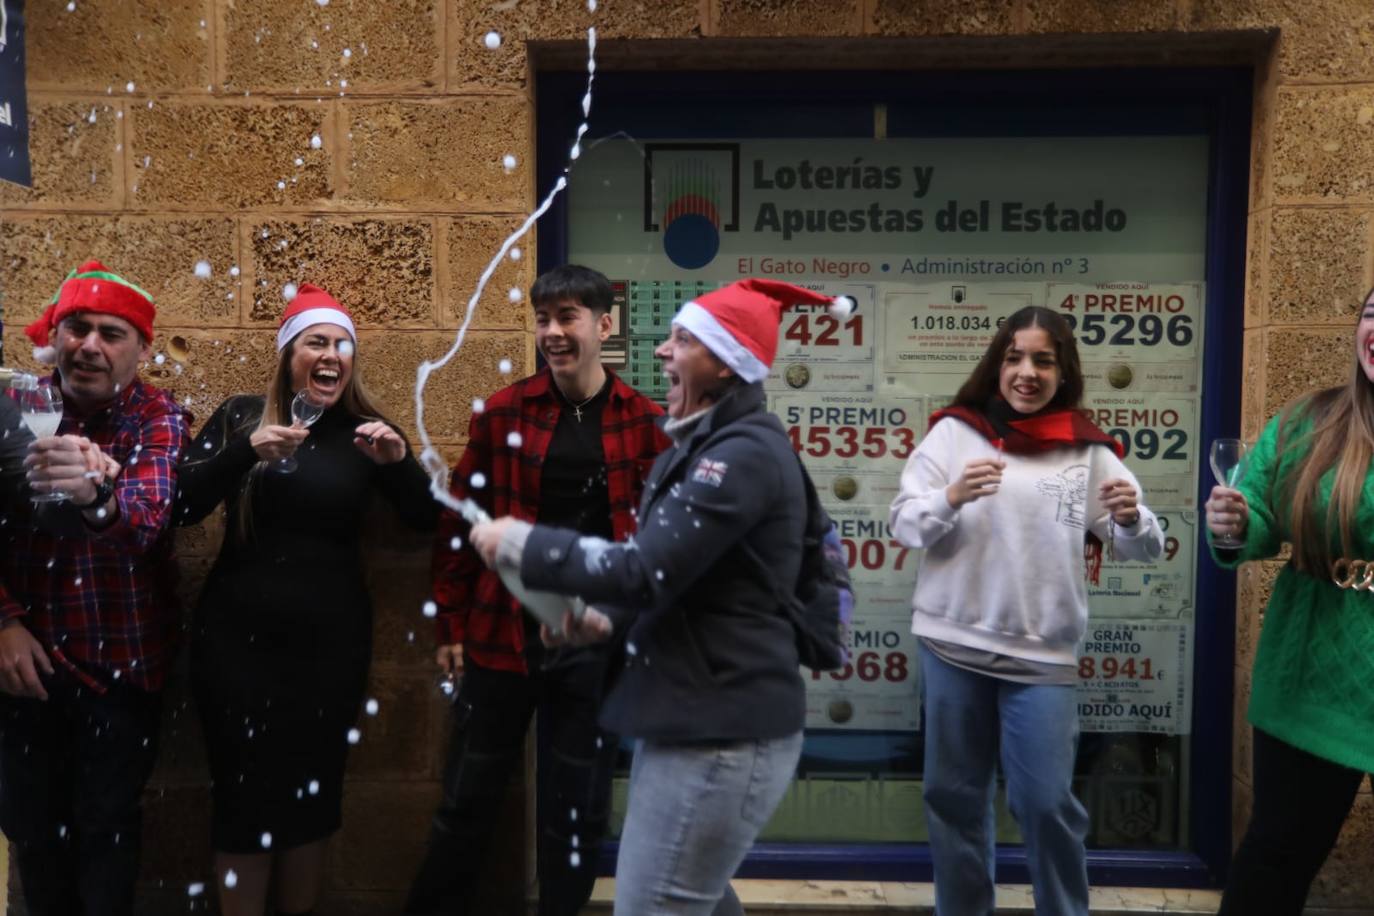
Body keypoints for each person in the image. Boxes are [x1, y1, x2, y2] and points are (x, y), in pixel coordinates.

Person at [468, 278, 850, 916]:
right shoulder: (704, 444)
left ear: (725, 362)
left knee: (656, 904)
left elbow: (645, 568)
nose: (664, 354)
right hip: (694, 713)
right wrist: (602, 621)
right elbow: (683, 576)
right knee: (691, 900)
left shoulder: (741, 455)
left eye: (682, 341)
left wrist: (526, 545)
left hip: (720, 727)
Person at [405, 265, 669, 916]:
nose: (552, 332)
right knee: (468, 798)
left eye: (568, 317)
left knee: (576, 814)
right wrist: (451, 627)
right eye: (543, 319)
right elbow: (459, 522)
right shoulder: (505, 412)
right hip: (502, 636)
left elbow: (655, 547)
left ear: (604, 326)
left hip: (594, 642)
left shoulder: (645, 422)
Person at [889, 305, 1163, 916]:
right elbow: (905, 525)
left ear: (1064, 371)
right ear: (996, 364)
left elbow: (1144, 547)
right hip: (951, 644)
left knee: (1045, 804)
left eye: (1044, 359)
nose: (1027, 373)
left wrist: (1129, 518)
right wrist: (952, 496)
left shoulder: (1087, 449)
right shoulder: (956, 433)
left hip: (1042, 657)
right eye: (1015, 358)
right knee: (954, 798)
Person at [173, 284, 437, 916]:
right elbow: (181, 506)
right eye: (316, 341)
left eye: (341, 344)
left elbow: (426, 519)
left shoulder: (367, 433)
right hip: (237, 648)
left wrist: (400, 464)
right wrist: (245, 452)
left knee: (312, 802)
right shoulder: (243, 416)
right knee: (242, 798)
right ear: (289, 352)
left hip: (329, 650)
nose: (331, 354)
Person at [0, 260, 191, 916]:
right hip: (27, 671)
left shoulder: (158, 416)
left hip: (121, 673)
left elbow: (145, 520)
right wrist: (3, 621)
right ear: (54, 336)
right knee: (33, 835)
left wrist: (95, 494)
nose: (89, 345)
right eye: (77, 328)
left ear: (141, 349)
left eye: (112, 334)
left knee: (107, 835)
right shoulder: (17, 403)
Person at [1206, 289, 1374, 915]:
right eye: (1370, 312)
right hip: (1312, 666)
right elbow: (1257, 519)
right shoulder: (1307, 423)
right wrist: (1232, 524)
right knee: (1276, 858)